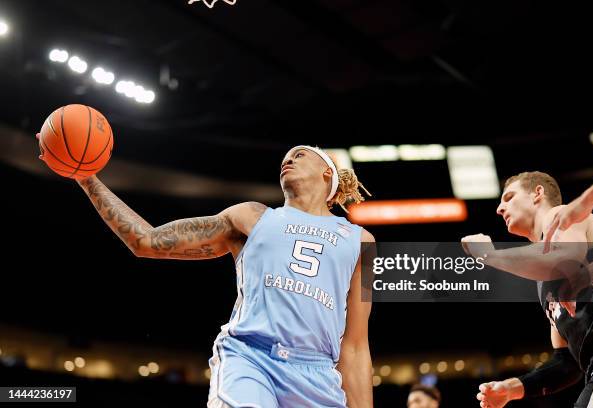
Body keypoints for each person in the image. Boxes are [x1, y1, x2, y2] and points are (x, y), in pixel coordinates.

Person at [68, 143, 374, 408]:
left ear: (327, 173)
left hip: (316, 371)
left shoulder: (361, 242)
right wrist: (86, 178)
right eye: (286, 157)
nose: (288, 159)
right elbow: (145, 240)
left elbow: (356, 346)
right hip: (251, 358)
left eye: (300, 154)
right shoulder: (251, 217)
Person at [461, 171, 593, 408]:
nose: (500, 209)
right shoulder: (542, 281)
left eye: (509, 197)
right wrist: (513, 388)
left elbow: (566, 258)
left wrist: (488, 254)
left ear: (537, 193)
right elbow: (567, 363)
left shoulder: (562, 215)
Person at [544, 164, 593, 252]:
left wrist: (585, 202)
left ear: (538, 192)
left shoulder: (554, 214)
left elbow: (566, 259)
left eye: (519, 193)